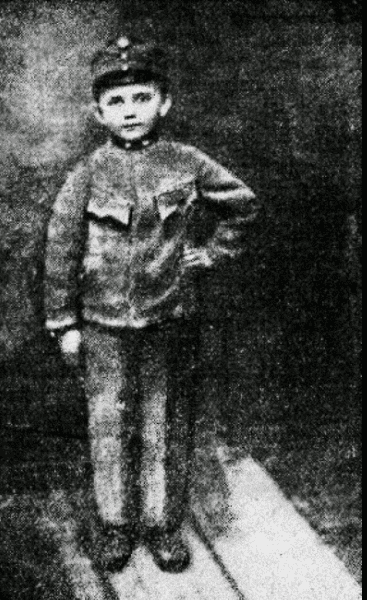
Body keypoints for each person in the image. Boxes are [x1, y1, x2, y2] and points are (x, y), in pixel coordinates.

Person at [44, 35, 258, 573]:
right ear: (98, 113)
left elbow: (243, 205)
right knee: (108, 427)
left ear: (164, 103)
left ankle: (163, 527)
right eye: (115, 101)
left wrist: (211, 253)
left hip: (168, 319)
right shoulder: (89, 172)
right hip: (102, 325)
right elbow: (61, 248)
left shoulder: (185, 162)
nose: (129, 110)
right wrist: (64, 323)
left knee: (164, 424)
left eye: (142, 97)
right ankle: (116, 526)